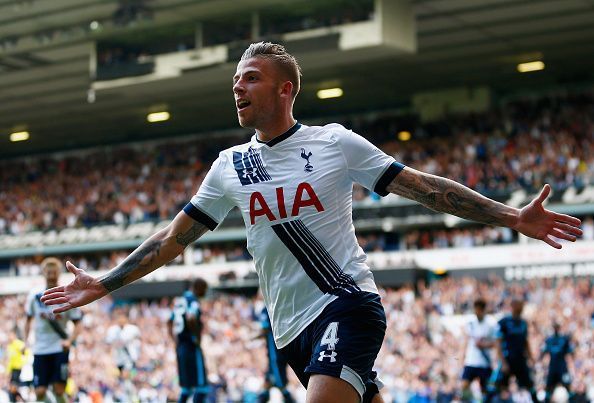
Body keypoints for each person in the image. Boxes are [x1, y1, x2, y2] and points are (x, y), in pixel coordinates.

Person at [40, 42, 583, 403]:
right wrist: (106, 282)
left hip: (346, 304)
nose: (237, 87)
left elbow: (426, 188)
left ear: (285, 89)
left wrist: (513, 215)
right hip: (290, 331)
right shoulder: (230, 166)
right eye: (235, 80)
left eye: (250, 79)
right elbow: (172, 239)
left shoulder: (332, 143)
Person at [25, 257, 82, 403]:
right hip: (40, 348)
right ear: (43, 273)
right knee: (39, 392)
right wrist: (26, 341)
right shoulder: (34, 296)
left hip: (60, 348)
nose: (51, 275)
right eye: (48, 272)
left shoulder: (68, 294)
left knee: (59, 390)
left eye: (54, 272)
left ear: (59, 273)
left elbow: (78, 323)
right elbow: (28, 319)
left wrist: (69, 341)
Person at [167, 278, 209, 403]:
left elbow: (169, 322)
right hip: (191, 346)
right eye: (204, 290)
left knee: (186, 388)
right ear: (199, 288)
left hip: (181, 347)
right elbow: (191, 318)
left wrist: (175, 341)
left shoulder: (179, 301)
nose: (205, 293)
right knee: (202, 387)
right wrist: (196, 337)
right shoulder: (193, 301)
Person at [488, 299, 538, 402]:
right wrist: (503, 362)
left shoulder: (524, 323)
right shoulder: (504, 322)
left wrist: (531, 357)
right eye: (518, 305)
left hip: (520, 360)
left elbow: (525, 342)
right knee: (495, 387)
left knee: (530, 386)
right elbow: (498, 343)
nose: (520, 308)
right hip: (507, 359)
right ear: (512, 306)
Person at [460, 298, 496, 401]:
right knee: (464, 386)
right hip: (471, 361)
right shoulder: (471, 323)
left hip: (485, 362)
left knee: (486, 390)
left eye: (479, 310)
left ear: (483, 310)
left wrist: (484, 345)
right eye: (475, 310)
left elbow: (496, 343)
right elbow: (466, 341)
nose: (477, 312)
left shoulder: (491, 324)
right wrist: (462, 357)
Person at [257, 306, 294, 403]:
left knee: (280, 381)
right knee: (268, 381)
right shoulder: (283, 305)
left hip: (275, 351)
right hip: (284, 347)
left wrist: (254, 337)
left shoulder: (266, 309)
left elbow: (264, 328)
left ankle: (287, 397)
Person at [105, 308, 141, 397]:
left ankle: (130, 396)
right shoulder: (112, 330)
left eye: (122, 318)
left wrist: (138, 355)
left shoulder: (133, 329)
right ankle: (128, 394)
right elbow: (108, 344)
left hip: (129, 357)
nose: (120, 320)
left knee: (126, 375)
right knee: (123, 379)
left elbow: (139, 341)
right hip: (118, 358)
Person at [540, 322, 574, 402]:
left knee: (567, 385)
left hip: (562, 367)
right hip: (553, 367)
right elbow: (544, 353)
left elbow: (569, 353)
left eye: (557, 327)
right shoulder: (549, 340)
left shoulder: (564, 339)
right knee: (549, 387)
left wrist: (572, 367)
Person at [6, 327, 27, 402]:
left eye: (10, 334)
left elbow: (25, 352)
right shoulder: (10, 346)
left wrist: (23, 363)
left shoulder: (18, 343)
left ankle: (22, 399)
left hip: (18, 368)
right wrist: (8, 372)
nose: (9, 336)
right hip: (12, 370)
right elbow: (9, 360)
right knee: (11, 388)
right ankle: (21, 399)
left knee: (13, 387)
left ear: (14, 335)